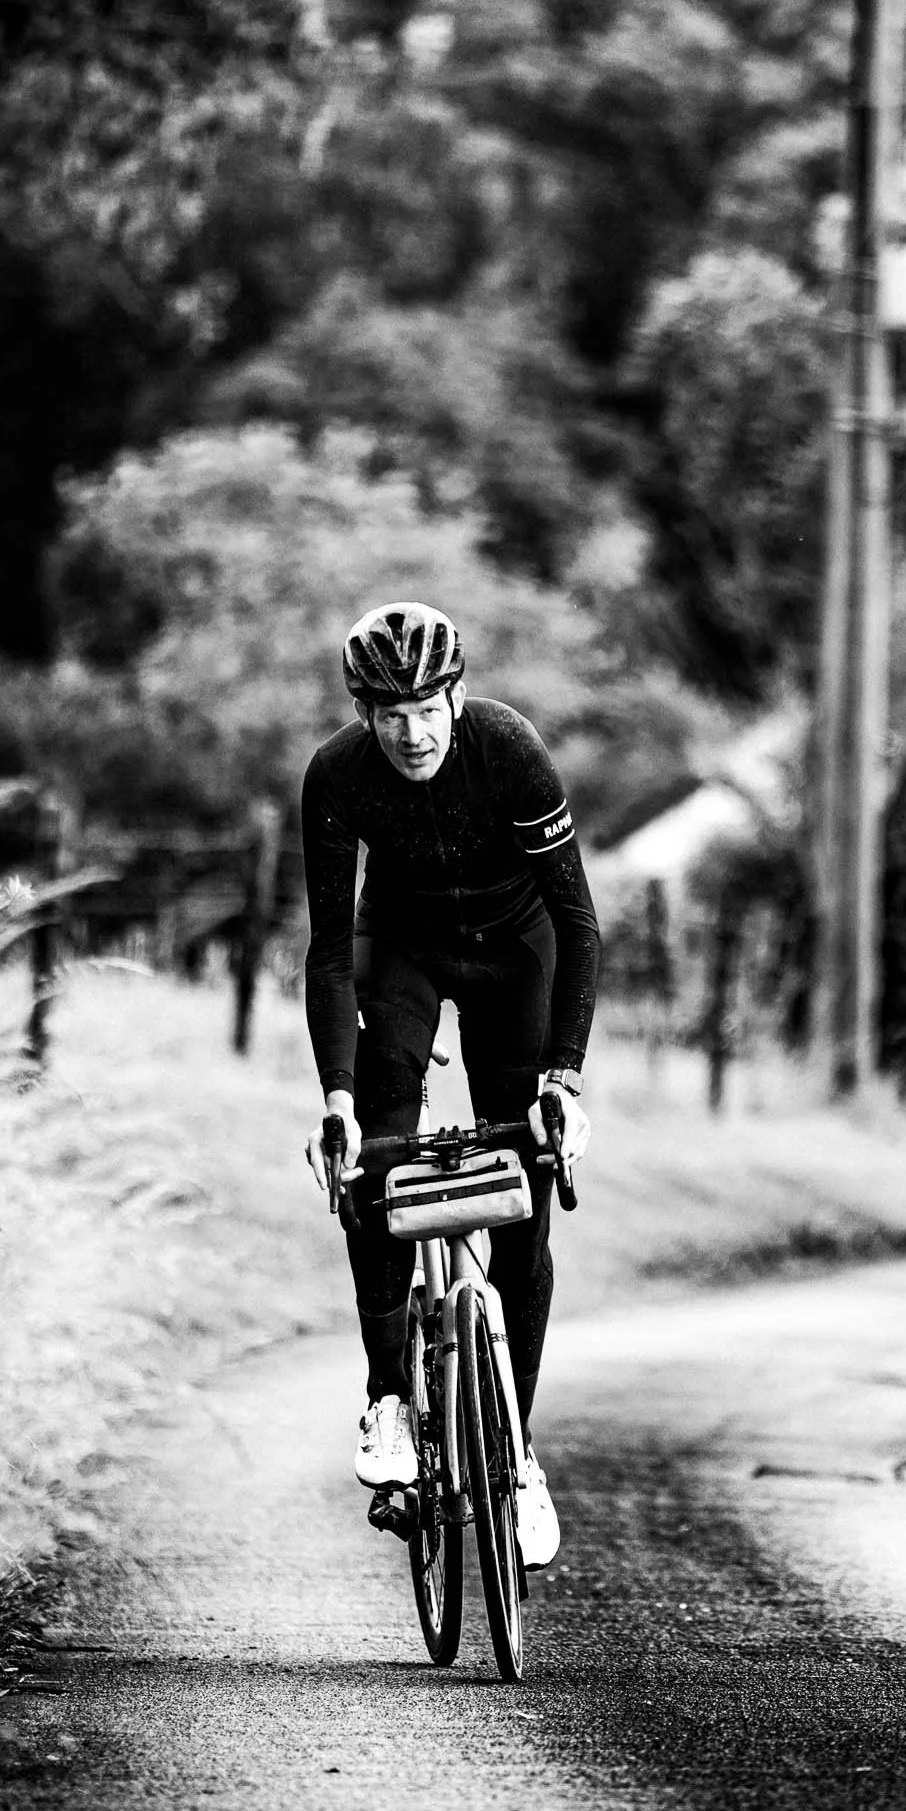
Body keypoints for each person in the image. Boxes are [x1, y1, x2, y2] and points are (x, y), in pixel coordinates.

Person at [300, 601, 599, 1570]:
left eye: (427, 706)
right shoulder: (336, 779)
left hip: (518, 954)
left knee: (521, 1193)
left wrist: (563, 1077)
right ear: (362, 710)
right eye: (389, 713)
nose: (412, 731)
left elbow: (579, 923)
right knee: (374, 1168)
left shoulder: (509, 751)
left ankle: (514, 1457)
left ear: (456, 696)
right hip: (408, 954)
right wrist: (337, 1099)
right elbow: (329, 950)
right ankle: (389, 1397)